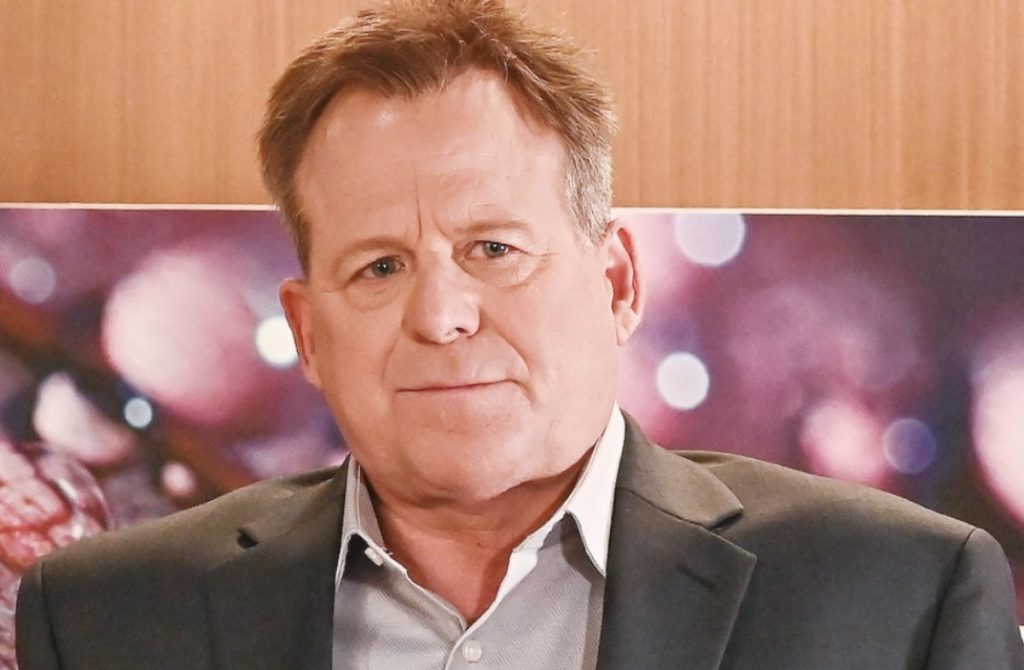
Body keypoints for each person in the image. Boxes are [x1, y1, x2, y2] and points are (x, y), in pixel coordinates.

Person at [15, 1, 1024, 668]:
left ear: (617, 283)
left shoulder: (901, 594)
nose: (442, 316)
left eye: (495, 250)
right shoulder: (106, 611)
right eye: (379, 266)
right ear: (307, 332)